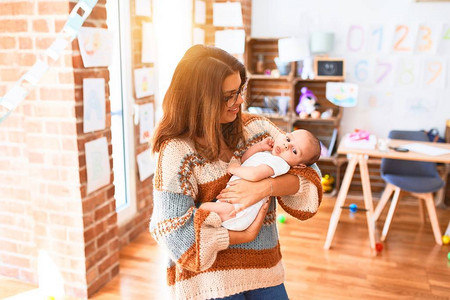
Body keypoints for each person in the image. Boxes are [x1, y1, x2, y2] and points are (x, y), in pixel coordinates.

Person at [150, 45, 322, 300]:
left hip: (264, 268)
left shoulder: (256, 129)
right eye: (229, 95)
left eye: (240, 90)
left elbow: (311, 179)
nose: (240, 101)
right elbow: (176, 236)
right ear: (201, 100)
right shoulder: (176, 151)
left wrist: (265, 188)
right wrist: (243, 235)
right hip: (208, 281)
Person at [200, 129, 321, 231]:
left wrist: (235, 169)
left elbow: (254, 174)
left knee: (201, 208)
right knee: (205, 214)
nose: (286, 145)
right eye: (288, 139)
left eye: (294, 151)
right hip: (232, 205)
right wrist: (259, 147)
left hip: (238, 212)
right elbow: (246, 160)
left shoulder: (280, 164)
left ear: (299, 166)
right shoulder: (269, 155)